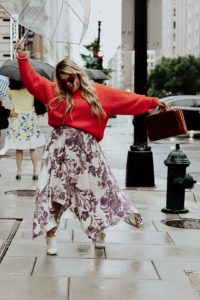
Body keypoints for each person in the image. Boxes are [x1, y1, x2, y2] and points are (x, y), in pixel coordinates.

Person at [15, 40, 170, 255]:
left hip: (87, 153)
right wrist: (22, 56)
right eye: (62, 82)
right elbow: (32, 81)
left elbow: (127, 100)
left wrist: (153, 102)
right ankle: (50, 237)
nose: (67, 84)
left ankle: (99, 231)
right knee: (55, 195)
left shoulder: (98, 93)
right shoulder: (53, 92)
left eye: (70, 79)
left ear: (77, 74)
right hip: (59, 153)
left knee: (96, 192)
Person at [4, 79, 45, 180]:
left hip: (17, 119)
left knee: (19, 148)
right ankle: (35, 171)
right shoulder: (31, 90)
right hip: (29, 120)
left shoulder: (11, 91)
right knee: (33, 147)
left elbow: (12, 104)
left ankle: (19, 171)